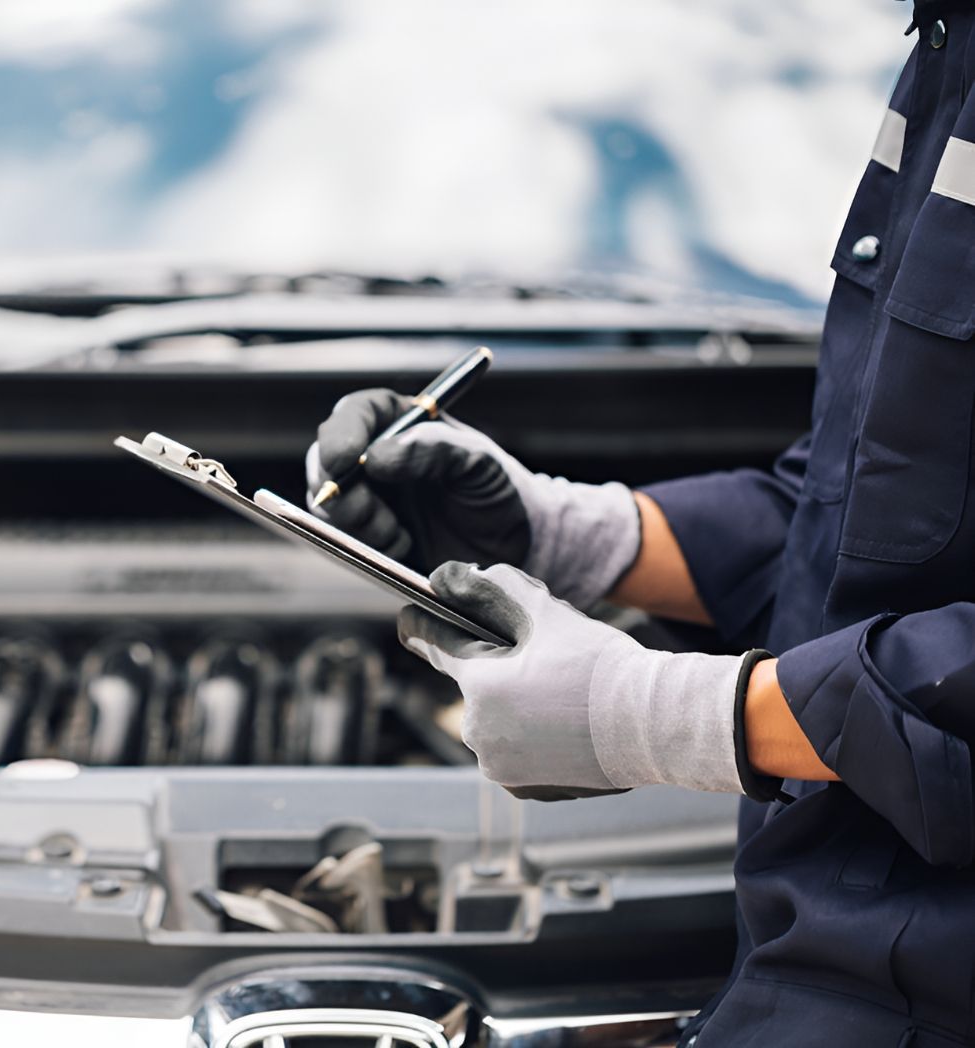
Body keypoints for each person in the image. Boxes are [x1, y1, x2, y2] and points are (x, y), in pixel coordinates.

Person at [308, 5, 975, 1044]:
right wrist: (564, 531)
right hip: (810, 959)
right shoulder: (947, 52)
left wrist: (664, 713)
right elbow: (871, 519)